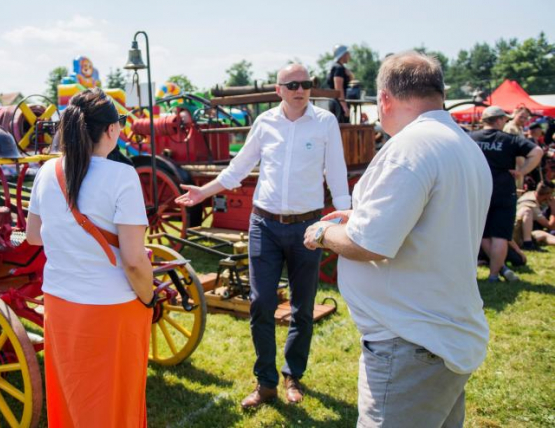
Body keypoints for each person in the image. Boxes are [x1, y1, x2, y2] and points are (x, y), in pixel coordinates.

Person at [304, 51, 491, 428]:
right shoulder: (462, 144)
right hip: (439, 336)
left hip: (410, 343)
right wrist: (358, 216)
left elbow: (369, 245)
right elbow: (430, 221)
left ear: (385, 98)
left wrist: (323, 233)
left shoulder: (410, 148)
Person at [175, 63, 350, 408]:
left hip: (308, 227)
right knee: (261, 304)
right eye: (293, 84)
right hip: (264, 225)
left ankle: (292, 375)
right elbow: (238, 168)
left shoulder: (325, 122)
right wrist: (202, 193)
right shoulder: (265, 122)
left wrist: (344, 220)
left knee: (302, 307)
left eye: (306, 84)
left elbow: (338, 173)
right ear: (279, 89)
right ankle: (266, 382)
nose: (301, 89)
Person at [25, 88, 154, 427]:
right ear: (111, 130)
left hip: (60, 303)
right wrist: (149, 296)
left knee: (72, 399)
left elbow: (33, 235)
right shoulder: (122, 175)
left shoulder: (46, 172)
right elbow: (134, 260)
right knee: (113, 406)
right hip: (112, 309)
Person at [470, 106, 542, 282]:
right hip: (503, 191)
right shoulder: (509, 139)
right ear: (500, 120)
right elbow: (537, 152)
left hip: (478, 190)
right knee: (500, 235)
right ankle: (494, 274)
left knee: (482, 234)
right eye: (505, 119)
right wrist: (523, 171)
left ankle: (501, 269)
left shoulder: (471, 138)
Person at [326, 44, 352, 123]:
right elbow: (338, 88)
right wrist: (344, 106)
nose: (349, 56)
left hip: (335, 102)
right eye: (347, 53)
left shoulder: (337, 67)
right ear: (343, 55)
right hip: (338, 104)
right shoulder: (339, 68)